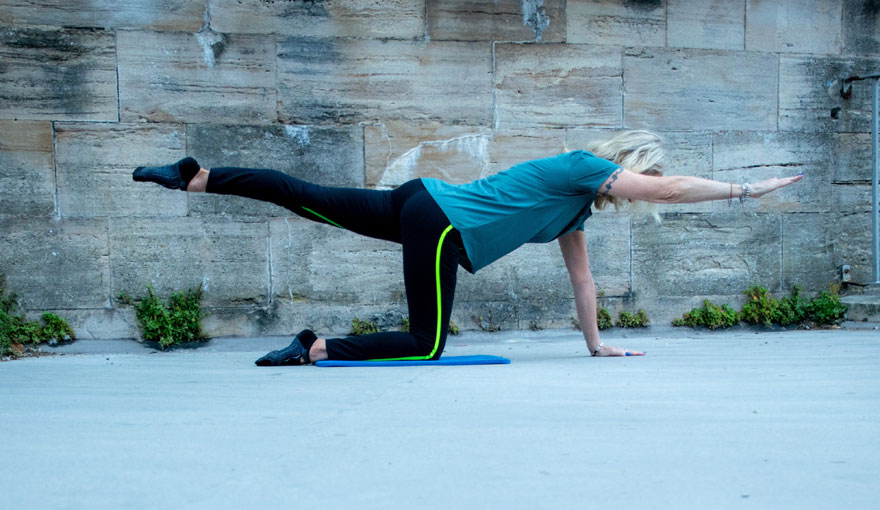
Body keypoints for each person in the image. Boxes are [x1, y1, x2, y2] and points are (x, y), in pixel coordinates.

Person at [132, 130, 803, 366]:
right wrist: (748, 189)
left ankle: (197, 178)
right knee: (427, 342)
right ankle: (316, 346)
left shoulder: (573, 206)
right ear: (630, 163)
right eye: (644, 176)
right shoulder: (581, 165)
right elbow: (674, 190)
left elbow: (583, 284)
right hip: (440, 224)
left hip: (421, 204)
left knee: (308, 194)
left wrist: (597, 345)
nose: (645, 190)